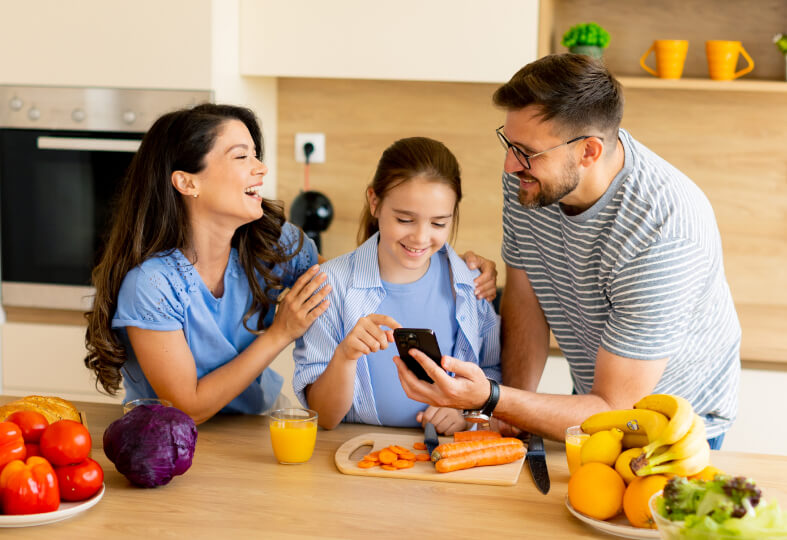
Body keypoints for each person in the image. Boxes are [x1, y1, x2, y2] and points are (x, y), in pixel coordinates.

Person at [394, 54, 741, 448]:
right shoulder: (531, 179)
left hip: (673, 427)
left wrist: (491, 398)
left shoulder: (663, 230)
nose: (510, 165)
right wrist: (508, 414)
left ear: (589, 152)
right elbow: (526, 294)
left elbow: (616, 408)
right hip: (598, 399)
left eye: (525, 151)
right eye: (509, 143)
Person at [84, 104, 332, 424]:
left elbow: (342, 287)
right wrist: (280, 333)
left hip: (261, 424)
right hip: (167, 440)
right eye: (242, 156)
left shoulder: (271, 243)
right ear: (188, 183)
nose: (260, 168)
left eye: (256, 155)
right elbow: (188, 407)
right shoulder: (152, 284)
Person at [292, 137, 501, 434]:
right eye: (405, 219)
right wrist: (345, 357)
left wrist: (467, 412)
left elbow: (494, 378)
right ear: (374, 202)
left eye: (439, 224)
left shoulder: (470, 285)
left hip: (444, 461)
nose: (420, 237)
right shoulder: (330, 286)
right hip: (353, 459)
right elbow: (323, 417)